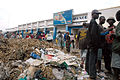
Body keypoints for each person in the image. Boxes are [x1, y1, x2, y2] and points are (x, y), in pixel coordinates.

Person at [87, 9, 101, 79]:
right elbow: (93, 35)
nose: (98, 15)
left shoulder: (93, 22)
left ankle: (91, 73)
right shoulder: (93, 22)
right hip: (93, 46)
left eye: (98, 14)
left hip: (92, 45)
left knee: (92, 60)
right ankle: (92, 75)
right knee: (92, 60)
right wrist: (95, 45)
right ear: (93, 15)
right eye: (97, 14)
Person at [111, 10, 120, 80]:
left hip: (117, 48)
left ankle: (116, 77)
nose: (116, 17)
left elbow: (118, 35)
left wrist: (114, 35)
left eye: (117, 15)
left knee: (115, 65)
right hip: (116, 47)